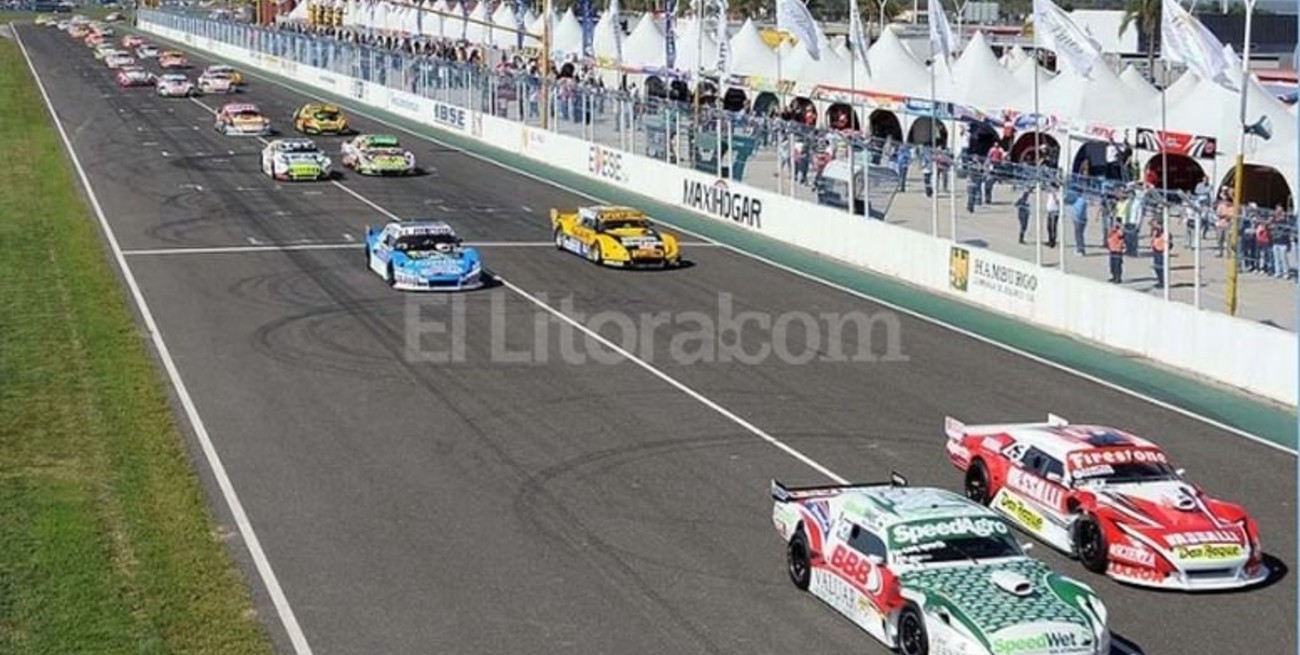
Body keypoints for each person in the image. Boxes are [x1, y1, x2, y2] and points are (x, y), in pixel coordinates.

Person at [1151, 223, 1168, 289]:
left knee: (1160, 268)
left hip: (1161, 253)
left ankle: (1162, 282)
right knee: (1156, 268)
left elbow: (1167, 244)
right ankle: (1160, 281)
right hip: (1156, 252)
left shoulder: (1164, 235)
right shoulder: (1155, 235)